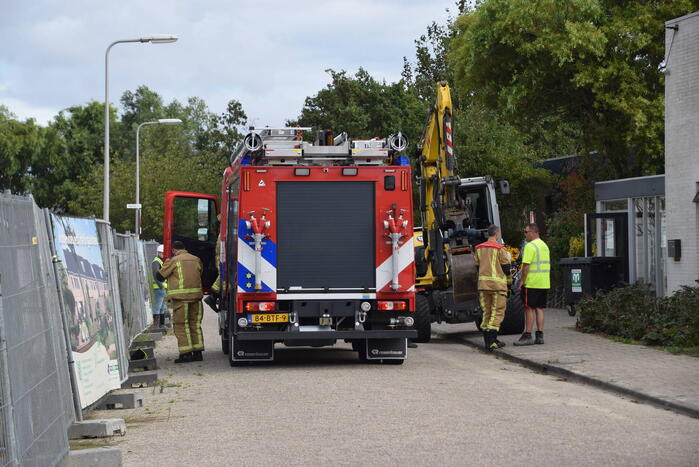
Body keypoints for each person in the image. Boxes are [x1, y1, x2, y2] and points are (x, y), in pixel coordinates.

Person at [156, 241, 204, 363]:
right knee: (195, 324)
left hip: (181, 299)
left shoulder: (173, 260)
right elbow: (201, 273)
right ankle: (198, 353)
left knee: (181, 325)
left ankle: (186, 354)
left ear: (174, 250)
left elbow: (160, 276)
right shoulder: (196, 259)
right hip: (196, 298)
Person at [474, 224, 512, 350]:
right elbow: (506, 268)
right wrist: (509, 281)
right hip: (497, 286)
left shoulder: (479, 248)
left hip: (483, 286)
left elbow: (477, 266)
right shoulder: (500, 248)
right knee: (497, 313)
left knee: (487, 312)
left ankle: (488, 341)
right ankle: (491, 342)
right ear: (497, 234)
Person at [514, 223, 550, 346]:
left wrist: (522, 281)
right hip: (544, 282)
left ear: (533, 232)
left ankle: (527, 335)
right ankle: (540, 336)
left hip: (532, 283)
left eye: (526, 232)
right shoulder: (544, 245)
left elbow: (526, 266)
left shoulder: (530, 246)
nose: (525, 234)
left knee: (528, 308)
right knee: (539, 309)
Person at [151, 245, 168, 327]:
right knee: (158, 307)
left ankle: (161, 325)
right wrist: (161, 286)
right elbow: (155, 275)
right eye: (162, 253)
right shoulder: (156, 262)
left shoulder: (160, 261)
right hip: (159, 288)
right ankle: (156, 326)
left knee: (162, 307)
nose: (163, 255)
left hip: (162, 288)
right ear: (158, 253)